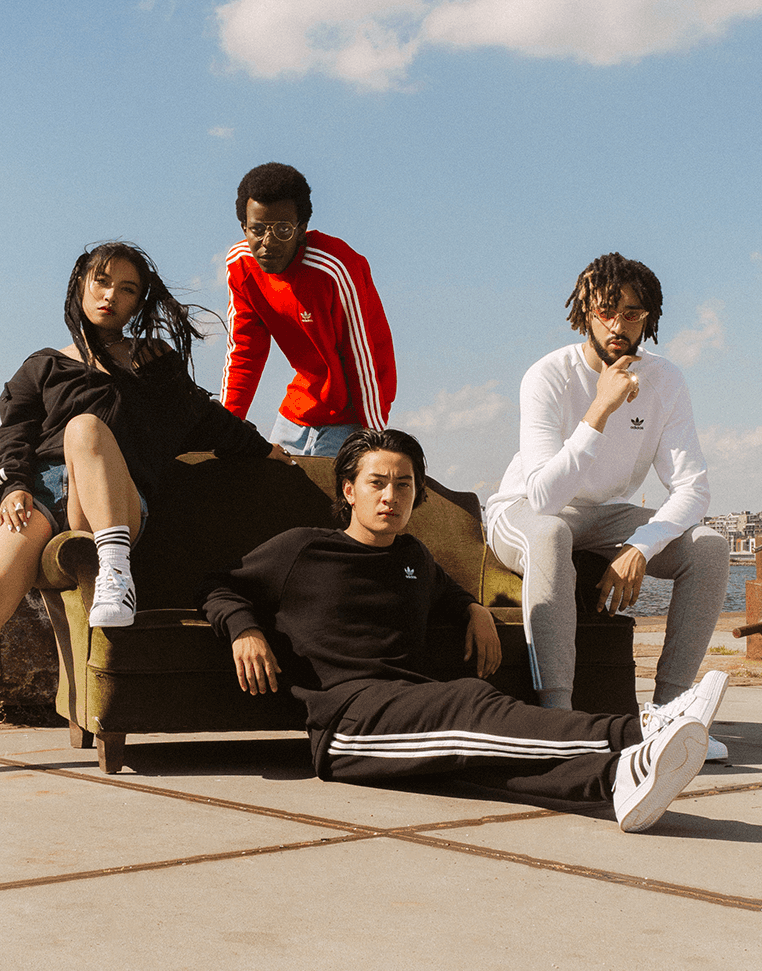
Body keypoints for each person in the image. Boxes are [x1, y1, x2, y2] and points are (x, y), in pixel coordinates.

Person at [201, 428, 727, 832]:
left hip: (409, 707)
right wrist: (244, 630)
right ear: (349, 491)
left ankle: (617, 781)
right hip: (348, 723)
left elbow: (446, 591)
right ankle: (642, 731)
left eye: (404, 485)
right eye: (376, 483)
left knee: (489, 761)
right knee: (470, 705)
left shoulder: (413, 557)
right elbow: (219, 586)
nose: (390, 497)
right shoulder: (303, 548)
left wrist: (474, 609)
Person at [0, 241, 287, 781]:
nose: (110, 296)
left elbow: (208, 419)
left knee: (84, 428)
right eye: (101, 282)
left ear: (139, 302)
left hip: (114, 503)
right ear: (80, 285)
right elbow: (14, 434)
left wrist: (267, 451)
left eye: (127, 289)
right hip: (44, 495)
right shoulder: (43, 366)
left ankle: (116, 573)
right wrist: (14, 487)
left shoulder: (154, 365)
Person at [482, 253, 731, 760]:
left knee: (709, 547)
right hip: (523, 508)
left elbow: (693, 488)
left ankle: (669, 715)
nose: (618, 325)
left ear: (649, 319)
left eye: (632, 313)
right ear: (585, 313)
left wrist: (640, 546)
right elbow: (545, 498)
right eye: (606, 311)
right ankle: (558, 721)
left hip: (604, 514)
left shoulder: (665, 380)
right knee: (551, 533)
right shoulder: (548, 375)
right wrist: (600, 407)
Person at [222, 162, 396, 457]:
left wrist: (373, 435)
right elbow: (245, 352)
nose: (268, 242)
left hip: (351, 413)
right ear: (244, 228)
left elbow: (364, 357)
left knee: (327, 487)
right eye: (258, 229)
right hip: (298, 409)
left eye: (283, 229)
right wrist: (226, 425)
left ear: (302, 229)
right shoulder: (241, 266)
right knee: (269, 481)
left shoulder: (335, 268)